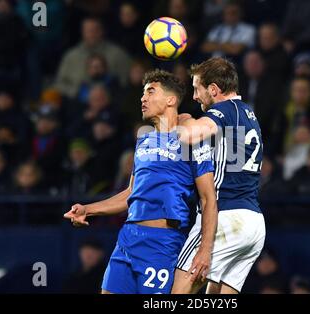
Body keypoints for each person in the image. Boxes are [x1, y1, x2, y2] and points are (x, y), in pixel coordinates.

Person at [64, 70, 218, 294]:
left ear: (171, 100)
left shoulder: (193, 139)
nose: (142, 99)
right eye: (143, 93)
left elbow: (208, 198)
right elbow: (131, 193)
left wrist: (205, 249)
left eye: (150, 92)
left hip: (162, 244)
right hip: (127, 239)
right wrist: (89, 209)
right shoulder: (144, 140)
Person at [174, 57, 266, 294]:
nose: (195, 96)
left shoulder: (223, 110)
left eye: (197, 89)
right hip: (253, 223)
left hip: (225, 216)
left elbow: (189, 136)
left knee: (178, 291)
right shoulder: (248, 112)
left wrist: (183, 120)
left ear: (213, 89)